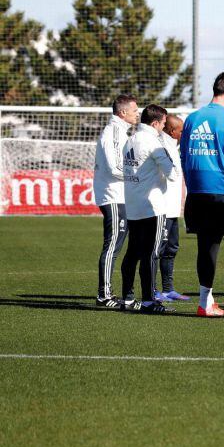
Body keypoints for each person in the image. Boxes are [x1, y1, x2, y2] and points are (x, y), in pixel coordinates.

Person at [180, 72, 224, 317]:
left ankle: (207, 299)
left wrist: (192, 183)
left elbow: (184, 156)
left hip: (195, 191)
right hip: (219, 192)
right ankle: (205, 304)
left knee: (203, 246)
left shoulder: (192, 118)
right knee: (211, 249)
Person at [118, 105, 176, 313]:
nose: (163, 127)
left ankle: (127, 298)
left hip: (132, 204)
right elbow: (172, 173)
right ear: (155, 123)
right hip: (152, 206)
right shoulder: (153, 141)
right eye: (162, 123)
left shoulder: (130, 140)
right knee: (151, 254)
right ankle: (150, 301)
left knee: (132, 252)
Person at [94, 94, 137, 308]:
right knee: (112, 245)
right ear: (123, 113)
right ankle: (104, 296)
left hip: (121, 196)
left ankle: (111, 293)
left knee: (117, 244)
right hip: (113, 196)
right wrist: (138, 175)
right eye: (134, 110)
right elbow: (114, 167)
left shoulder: (121, 132)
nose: (137, 113)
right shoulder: (113, 132)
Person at [155, 114, 188, 302]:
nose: (183, 133)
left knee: (172, 248)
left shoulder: (173, 146)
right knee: (158, 249)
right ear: (171, 131)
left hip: (173, 209)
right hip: (163, 209)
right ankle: (153, 289)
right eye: (181, 130)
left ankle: (168, 289)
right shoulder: (163, 146)